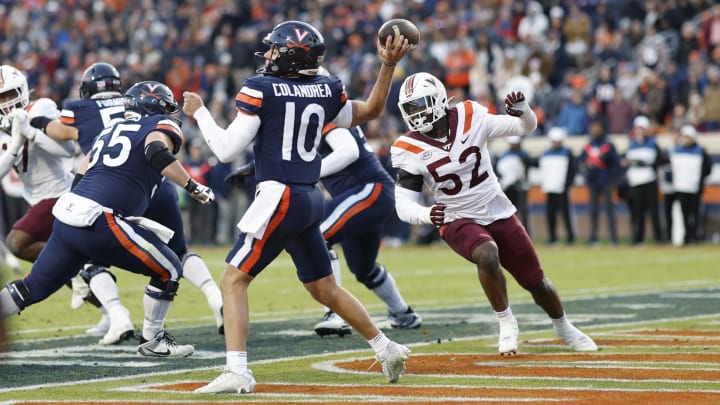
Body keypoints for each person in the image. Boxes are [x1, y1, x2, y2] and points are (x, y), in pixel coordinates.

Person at [183, 20, 413, 393]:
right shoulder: (325, 89)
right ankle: (386, 348)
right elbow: (370, 109)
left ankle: (237, 370)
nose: (269, 54)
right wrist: (387, 66)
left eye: (275, 49)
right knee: (325, 289)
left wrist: (200, 112)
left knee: (233, 279)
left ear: (290, 55)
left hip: (279, 195)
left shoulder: (261, 89)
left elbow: (225, 150)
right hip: (310, 197)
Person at [0, 80, 214, 358]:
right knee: (170, 268)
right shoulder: (157, 126)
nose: (171, 114)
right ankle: (153, 340)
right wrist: (193, 187)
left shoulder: (110, 130)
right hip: (100, 219)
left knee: (31, 288)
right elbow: (155, 151)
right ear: (156, 106)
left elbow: (82, 170)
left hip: (69, 214)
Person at [390, 71, 596, 356]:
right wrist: (427, 215)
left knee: (536, 281)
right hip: (456, 217)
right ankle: (506, 322)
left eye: (421, 104)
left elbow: (525, 127)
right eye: (410, 108)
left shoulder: (469, 114)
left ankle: (563, 326)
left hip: (496, 208)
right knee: (486, 253)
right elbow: (403, 204)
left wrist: (523, 111)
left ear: (438, 99)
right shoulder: (407, 147)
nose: (416, 114)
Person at [40, 62, 224, 340]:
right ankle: (214, 295)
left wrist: (34, 120)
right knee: (179, 252)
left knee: (90, 258)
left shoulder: (81, 108)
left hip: (109, 189)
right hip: (159, 183)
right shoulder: (148, 112)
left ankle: (117, 316)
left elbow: (59, 132)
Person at [621, 116, 664, 245]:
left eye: (642, 128)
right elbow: (626, 161)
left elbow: (657, 160)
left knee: (654, 212)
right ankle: (638, 238)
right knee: (637, 212)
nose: (640, 131)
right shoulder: (632, 144)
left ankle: (658, 238)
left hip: (649, 181)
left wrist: (641, 162)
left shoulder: (652, 143)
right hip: (635, 182)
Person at [579, 119, 620, 246]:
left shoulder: (608, 145)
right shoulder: (588, 145)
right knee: (593, 211)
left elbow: (616, 164)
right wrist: (586, 168)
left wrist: (611, 177)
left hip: (606, 181)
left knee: (609, 210)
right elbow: (581, 161)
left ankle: (613, 238)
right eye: (593, 127)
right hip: (593, 182)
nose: (595, 130)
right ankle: (593, 238)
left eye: (597, 127)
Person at [670, 125, 712, 244]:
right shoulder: (677, 150)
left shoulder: (700, 151)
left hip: (695, 188)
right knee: (684, 214)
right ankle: (687, 236)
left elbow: (707, 169)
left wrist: (699, 181)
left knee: (695, 214)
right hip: (681, 187)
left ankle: (695, 236)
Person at [538, 127, 577, 245]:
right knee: (550, 214)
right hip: (550, 188)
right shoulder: (546, 153)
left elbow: (572, 170)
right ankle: (552, 238)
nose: (555, 143)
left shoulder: (567, 153)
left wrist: (567, 184)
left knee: (566, 214)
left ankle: (570, 237)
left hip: (562, 189)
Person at [495, 136, 534, 235]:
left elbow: (528, 169)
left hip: (521, 186)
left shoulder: (524, 155)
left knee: (523, 211)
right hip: (509, 187)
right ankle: (513, 234)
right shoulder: (505, 155)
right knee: (510, 211)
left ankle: (526, 234)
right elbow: (500, 171)